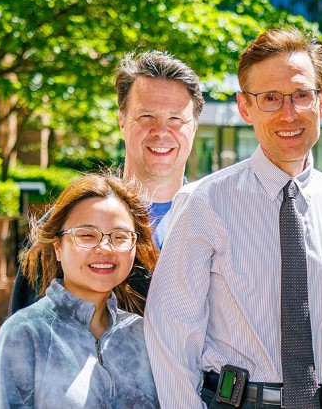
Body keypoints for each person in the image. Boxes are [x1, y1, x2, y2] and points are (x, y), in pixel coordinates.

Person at [145, 28, 322, 409]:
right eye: (270, 98)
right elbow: (170, 333)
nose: (289, 113)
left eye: (302, 95)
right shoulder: (204, 203)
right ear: (245, 107)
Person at [10, 50, 204, 313]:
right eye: (146, 117)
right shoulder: (69, 225)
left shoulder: (215, 221)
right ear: (122, 121)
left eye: (176, 119)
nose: (161, 131)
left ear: (194, 126)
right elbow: (26, 328)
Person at [0, 174, 159, 408]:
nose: (104, 248)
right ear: (58, 247)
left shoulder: (142, 334)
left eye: (120, 237)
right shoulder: (26, 333)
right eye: (87, 235)